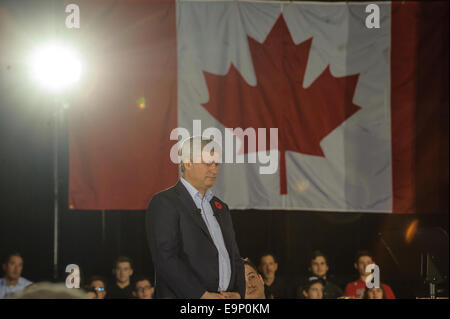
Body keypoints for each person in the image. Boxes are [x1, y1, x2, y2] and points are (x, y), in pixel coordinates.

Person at [146, 136, 245, 299]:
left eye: (217, 164)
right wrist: (201, 295)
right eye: (208, 163)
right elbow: (165, 258)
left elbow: (234, 257)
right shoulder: (165, 202)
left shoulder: (221, 207)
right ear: (188, 162)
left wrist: (239, 294)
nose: (214, 170)